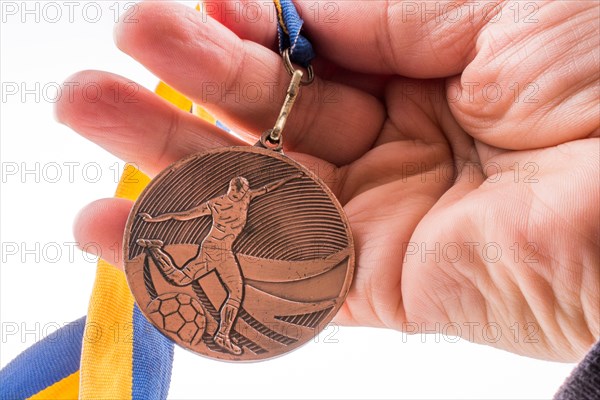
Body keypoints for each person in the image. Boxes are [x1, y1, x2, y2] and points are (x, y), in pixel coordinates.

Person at [55, 1, 598, 397]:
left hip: (223, 258)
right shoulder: (222, 203)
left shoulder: (247, 194)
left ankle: (210, 314)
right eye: (240, 185)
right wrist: (157, 229)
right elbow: (184, 212)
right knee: (189, 277)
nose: (241, 187)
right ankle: (174, 278)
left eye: (245, 185)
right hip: (213, 253)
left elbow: (247, 191)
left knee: (215, 294)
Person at [136, 174, 300, 354]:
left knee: (236, 293)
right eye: (236, 192)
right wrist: (154, 219)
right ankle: (154, 249)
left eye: (243, 192)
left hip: (226, 253)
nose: (240, 196)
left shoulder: (247, 197)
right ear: (230, 189)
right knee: (181, 279)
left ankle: (222, 335)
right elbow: (184, 215)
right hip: (211, 250)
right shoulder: (217, 204)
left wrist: (292, 177)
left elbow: (268, 187)